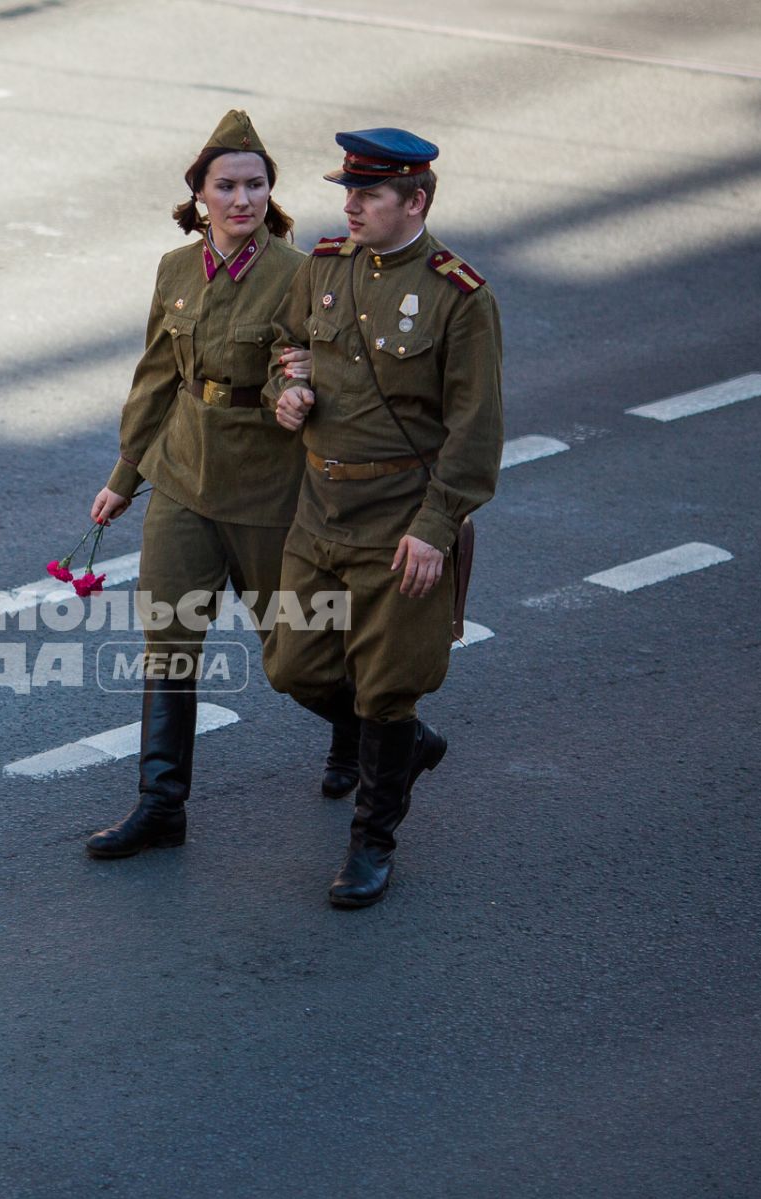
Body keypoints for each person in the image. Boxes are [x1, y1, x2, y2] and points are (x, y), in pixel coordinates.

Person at [265, 128, 504, 907]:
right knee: (292, 665)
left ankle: (371, 845)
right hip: (321, 509)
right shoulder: (327, 268)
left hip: (401, 518)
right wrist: (286, 391)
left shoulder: (458, 296)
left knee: (386, 690)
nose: (350, 205)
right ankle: (401, 752)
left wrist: (436, 528)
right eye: (349, 192)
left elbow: (475, 432)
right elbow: (286, 344)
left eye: (368, 195)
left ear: (416, 202)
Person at [83, 110, 324, 860]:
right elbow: (157, 377)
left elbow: (306, 358)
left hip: (264, 487)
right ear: (200, 194)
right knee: (168, 638)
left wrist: (298, 390)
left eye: (255, 185)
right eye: (227, 185)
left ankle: (379, 737)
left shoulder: (297, 273)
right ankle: (161, 806)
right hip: (183, 474)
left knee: (295, 653)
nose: (242, 199)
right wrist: (126, 476)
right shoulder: (175, 270)